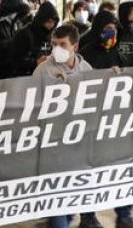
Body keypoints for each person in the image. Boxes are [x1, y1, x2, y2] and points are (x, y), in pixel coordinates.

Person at [36, 24, 93, 228]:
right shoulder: (43, 69)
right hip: (54, 142)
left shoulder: (86, 69)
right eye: (54, 44)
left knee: (74, 190)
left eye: (62, 44)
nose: (56, 49)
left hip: (79, 141)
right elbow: (33, 104)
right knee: (57, 194)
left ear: (74, 46)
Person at [7, 1, 58, 77]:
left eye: (54, 22)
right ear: (42, 20)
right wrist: (36, 62)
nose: (51, 25)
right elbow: (15, 59)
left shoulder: (53, 34)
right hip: (27, 77)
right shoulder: (24, 33)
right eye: (49, 22)